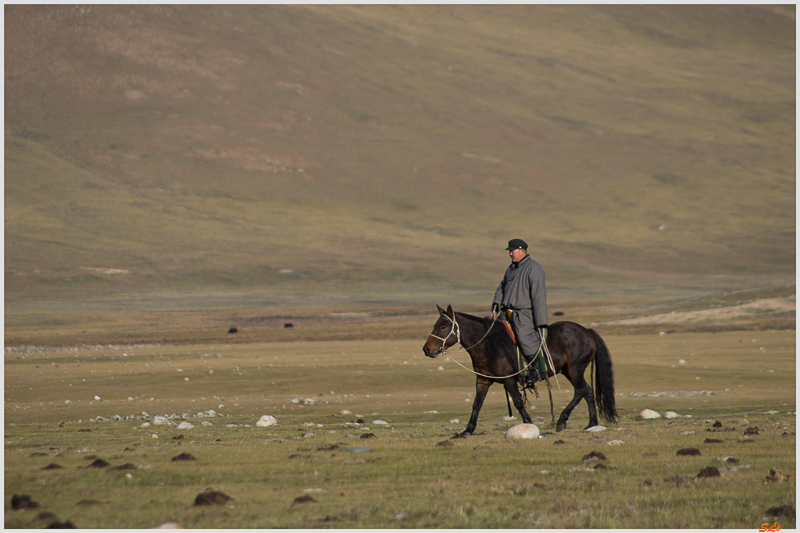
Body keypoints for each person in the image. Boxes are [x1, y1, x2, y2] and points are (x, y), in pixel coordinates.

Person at [491, 238, 548, 387]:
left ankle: (537, 370)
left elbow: (539, 297)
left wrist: (541, 322)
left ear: (522, 250)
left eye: (512, 251)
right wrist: (497, 302)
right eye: (509, 251)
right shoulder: (511, 268)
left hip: (524, 313)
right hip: (508, 311)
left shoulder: (534, 268)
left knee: (524, 337)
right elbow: (502, 286)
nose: (510, 254)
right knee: (494, 333)